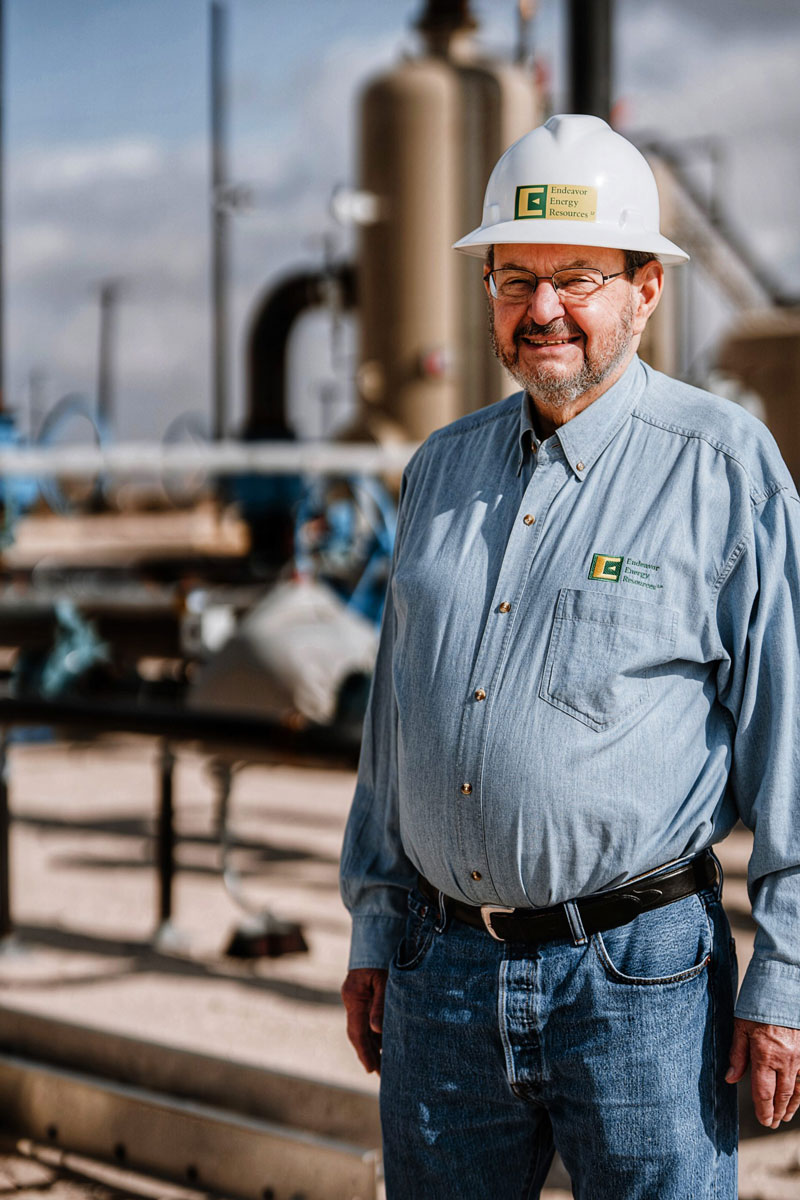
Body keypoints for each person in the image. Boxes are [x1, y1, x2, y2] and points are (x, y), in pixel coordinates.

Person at [339, 114, 800, 1199]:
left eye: (577, 277)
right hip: (438, 976)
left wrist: (783, 974)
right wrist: (371, 919)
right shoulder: (437, 474)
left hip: (639, 982)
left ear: (645, 288)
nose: (541, 309)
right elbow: (392, 727)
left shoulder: (722, 469)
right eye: (513, 278)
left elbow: (792, 741)